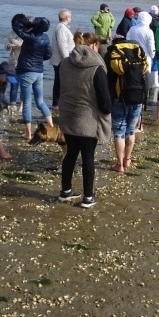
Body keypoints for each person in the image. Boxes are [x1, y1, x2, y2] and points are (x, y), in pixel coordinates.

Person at [58, 32, 112, 208]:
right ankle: (88, 197)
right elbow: (104, 99)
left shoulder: (64, 63)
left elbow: (58, 89)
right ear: (94, 46)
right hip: (88, 118)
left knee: (71, 153)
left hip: (68, 115)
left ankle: (66, 191)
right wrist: (106, 113)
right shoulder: (97, 68)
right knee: (88, 157)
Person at [106, 39, 149, 173]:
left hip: (119, 99)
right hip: (137, 98)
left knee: (119, 131)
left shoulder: (113, 54)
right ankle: (127, 160)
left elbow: (108, 79)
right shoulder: (139, 57)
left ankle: (119, 165)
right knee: (131, 130)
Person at [12, 15, 54, 140]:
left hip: (26, 72)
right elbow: (48, 54)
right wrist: (38, 57)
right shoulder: (45, 38)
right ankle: (51, 127)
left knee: (26, 103)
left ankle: (28, 134)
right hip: (39, 72)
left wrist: (28, 20)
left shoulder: (31, 38)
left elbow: (16, 27)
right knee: (40, 101)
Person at [49, 8, 74, 110]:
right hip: (61, 61)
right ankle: (56, 104)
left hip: (61, 60)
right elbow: (62, 45)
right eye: (70, 16)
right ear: (67, 17)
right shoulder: (61, 28)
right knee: (59, 82)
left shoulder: (62, 27)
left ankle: (57, 103)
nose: (71, 18)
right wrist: (67, 60)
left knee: (60, 82)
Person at [4, 25, 23, 113]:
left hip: (23, 63)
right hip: (12, 62)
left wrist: (17, 45)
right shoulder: (12, 33)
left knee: (24, 86)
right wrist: (9, 46)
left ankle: (22, 106)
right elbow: (6, 46)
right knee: (13, 84)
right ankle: (12, 105)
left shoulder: (26, 33)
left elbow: (27, 45)